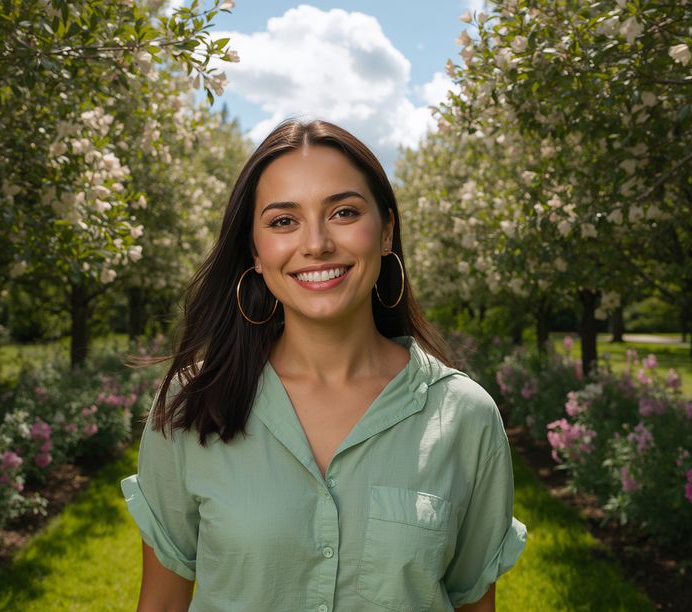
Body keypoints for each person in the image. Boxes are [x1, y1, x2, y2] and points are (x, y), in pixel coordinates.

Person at [121, 119, 527, 611]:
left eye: (344, 212)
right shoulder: (192, 406)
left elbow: (474, 604)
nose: (316, 244)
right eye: (283, 221)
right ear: (255, 250)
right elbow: (161, 604)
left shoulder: (465, 416)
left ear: (385, 231)